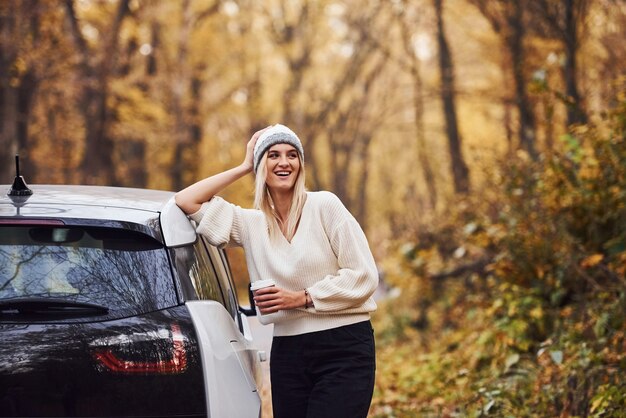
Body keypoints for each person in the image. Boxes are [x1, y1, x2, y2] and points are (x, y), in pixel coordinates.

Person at [175, 124, 378, 418]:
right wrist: (244, 166)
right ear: (261, 167)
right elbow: (186, 200)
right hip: (289, 351)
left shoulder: (325, 206)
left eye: (292, 155)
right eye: (273, 155)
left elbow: (363, 275)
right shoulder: (250, 224)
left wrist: (302, 298)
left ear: (301, 165)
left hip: (344, 346)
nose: (284, 162)